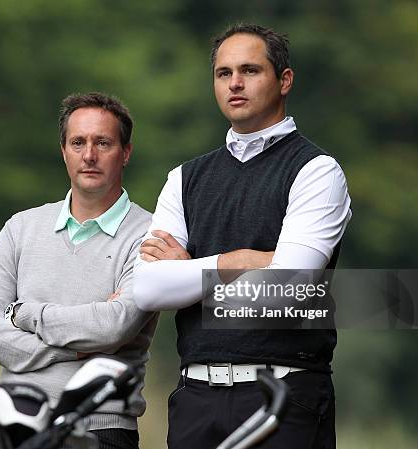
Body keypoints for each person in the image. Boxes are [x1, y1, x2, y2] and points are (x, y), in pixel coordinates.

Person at [133, 23, 352, 449]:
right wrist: (238, 261)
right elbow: (146, 289)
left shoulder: (316, 171)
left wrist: (186, 275)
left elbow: (288, 291)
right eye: (223, 73)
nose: (235, 83)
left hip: (285, 395)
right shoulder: (184, 178)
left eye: (250, 70)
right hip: (195, 398)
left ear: (284, 80)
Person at [0, 92, 157, 449]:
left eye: (103, 143)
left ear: (125, 152)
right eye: (78, 142)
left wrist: (23, 314)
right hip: (13, 423)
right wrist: (73, 349)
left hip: (100, 430)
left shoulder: (150, 236)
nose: (89, 155)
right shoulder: (21, 228)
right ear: (63, 150)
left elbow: (114, 326)